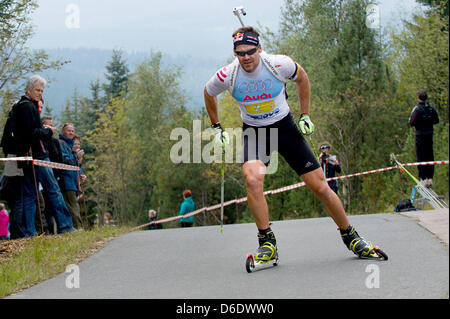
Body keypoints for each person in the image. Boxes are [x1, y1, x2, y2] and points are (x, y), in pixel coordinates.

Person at [204, 26, 385, 263]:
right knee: (252, 179)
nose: (246, 57)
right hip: (255, 132)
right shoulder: (228, 74)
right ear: (235, 53)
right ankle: (267, 242)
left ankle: (350, 235)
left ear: (259, 48)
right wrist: (216, 126)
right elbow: (208, 93)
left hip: (285, 128)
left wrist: (305, 114)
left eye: (250, 51)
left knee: (319, 187)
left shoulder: (278, 64)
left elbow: (302, 78)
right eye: (240, 53)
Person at [10, 75, 74, 237]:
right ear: (29, 89)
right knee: (53, 189)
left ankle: (29, 232)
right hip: (37, 155)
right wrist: (49, 131)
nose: (40, 93)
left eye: (42, 91)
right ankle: (66, 226)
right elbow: (32, 133)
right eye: (38, 90)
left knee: (30, 194)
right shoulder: (28, 107)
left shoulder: (19, 106)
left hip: (27, 155)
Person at [409, 89, 439, 188]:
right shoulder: (431, 109)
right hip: (429, 135)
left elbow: (411, 122)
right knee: (430, 156)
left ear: (418, 98)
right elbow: (436, 120)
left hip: (420, 135)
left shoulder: (417, 109)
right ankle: (430, 178)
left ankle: (423, 178)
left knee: (421, 156)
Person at [59, 123, 83, 229]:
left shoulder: (70, 144)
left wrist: (81, 174)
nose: (71, 133)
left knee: (73, 204)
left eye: (72, 131)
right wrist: (75, 156)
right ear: (63, 131)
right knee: (72, 205)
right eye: (69, 130)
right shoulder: (61, 143)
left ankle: (75, 228)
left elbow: (75, 164)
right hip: (66, 179)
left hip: (73, 180)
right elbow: (64, 160)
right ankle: (78, 228)